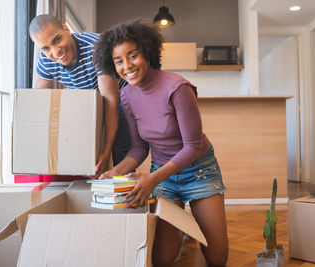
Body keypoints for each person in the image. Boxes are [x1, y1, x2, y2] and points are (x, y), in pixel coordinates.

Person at [93, 20, 228, 267]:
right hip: (163, 176)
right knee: (161, 258)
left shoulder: (178, 88)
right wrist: (116, 171)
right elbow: (139, 147)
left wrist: (152, 179)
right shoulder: (127, 95)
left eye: (132, 56)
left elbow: (192, 146)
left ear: (147, 52)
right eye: (118, 61)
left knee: (217, 259)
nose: (127, 66)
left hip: (200, 172)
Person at [17, 14, 131, 182]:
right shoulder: (46, 60)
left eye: (57, 40)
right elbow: (37, 104)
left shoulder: (97, 47)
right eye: (46, 48)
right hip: (90, 103)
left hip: (120, 100)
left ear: (66, 29)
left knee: (119, 152)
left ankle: (126, 196)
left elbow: (111, 102)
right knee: (89, 160)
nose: (55, 52)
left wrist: (105, 153)